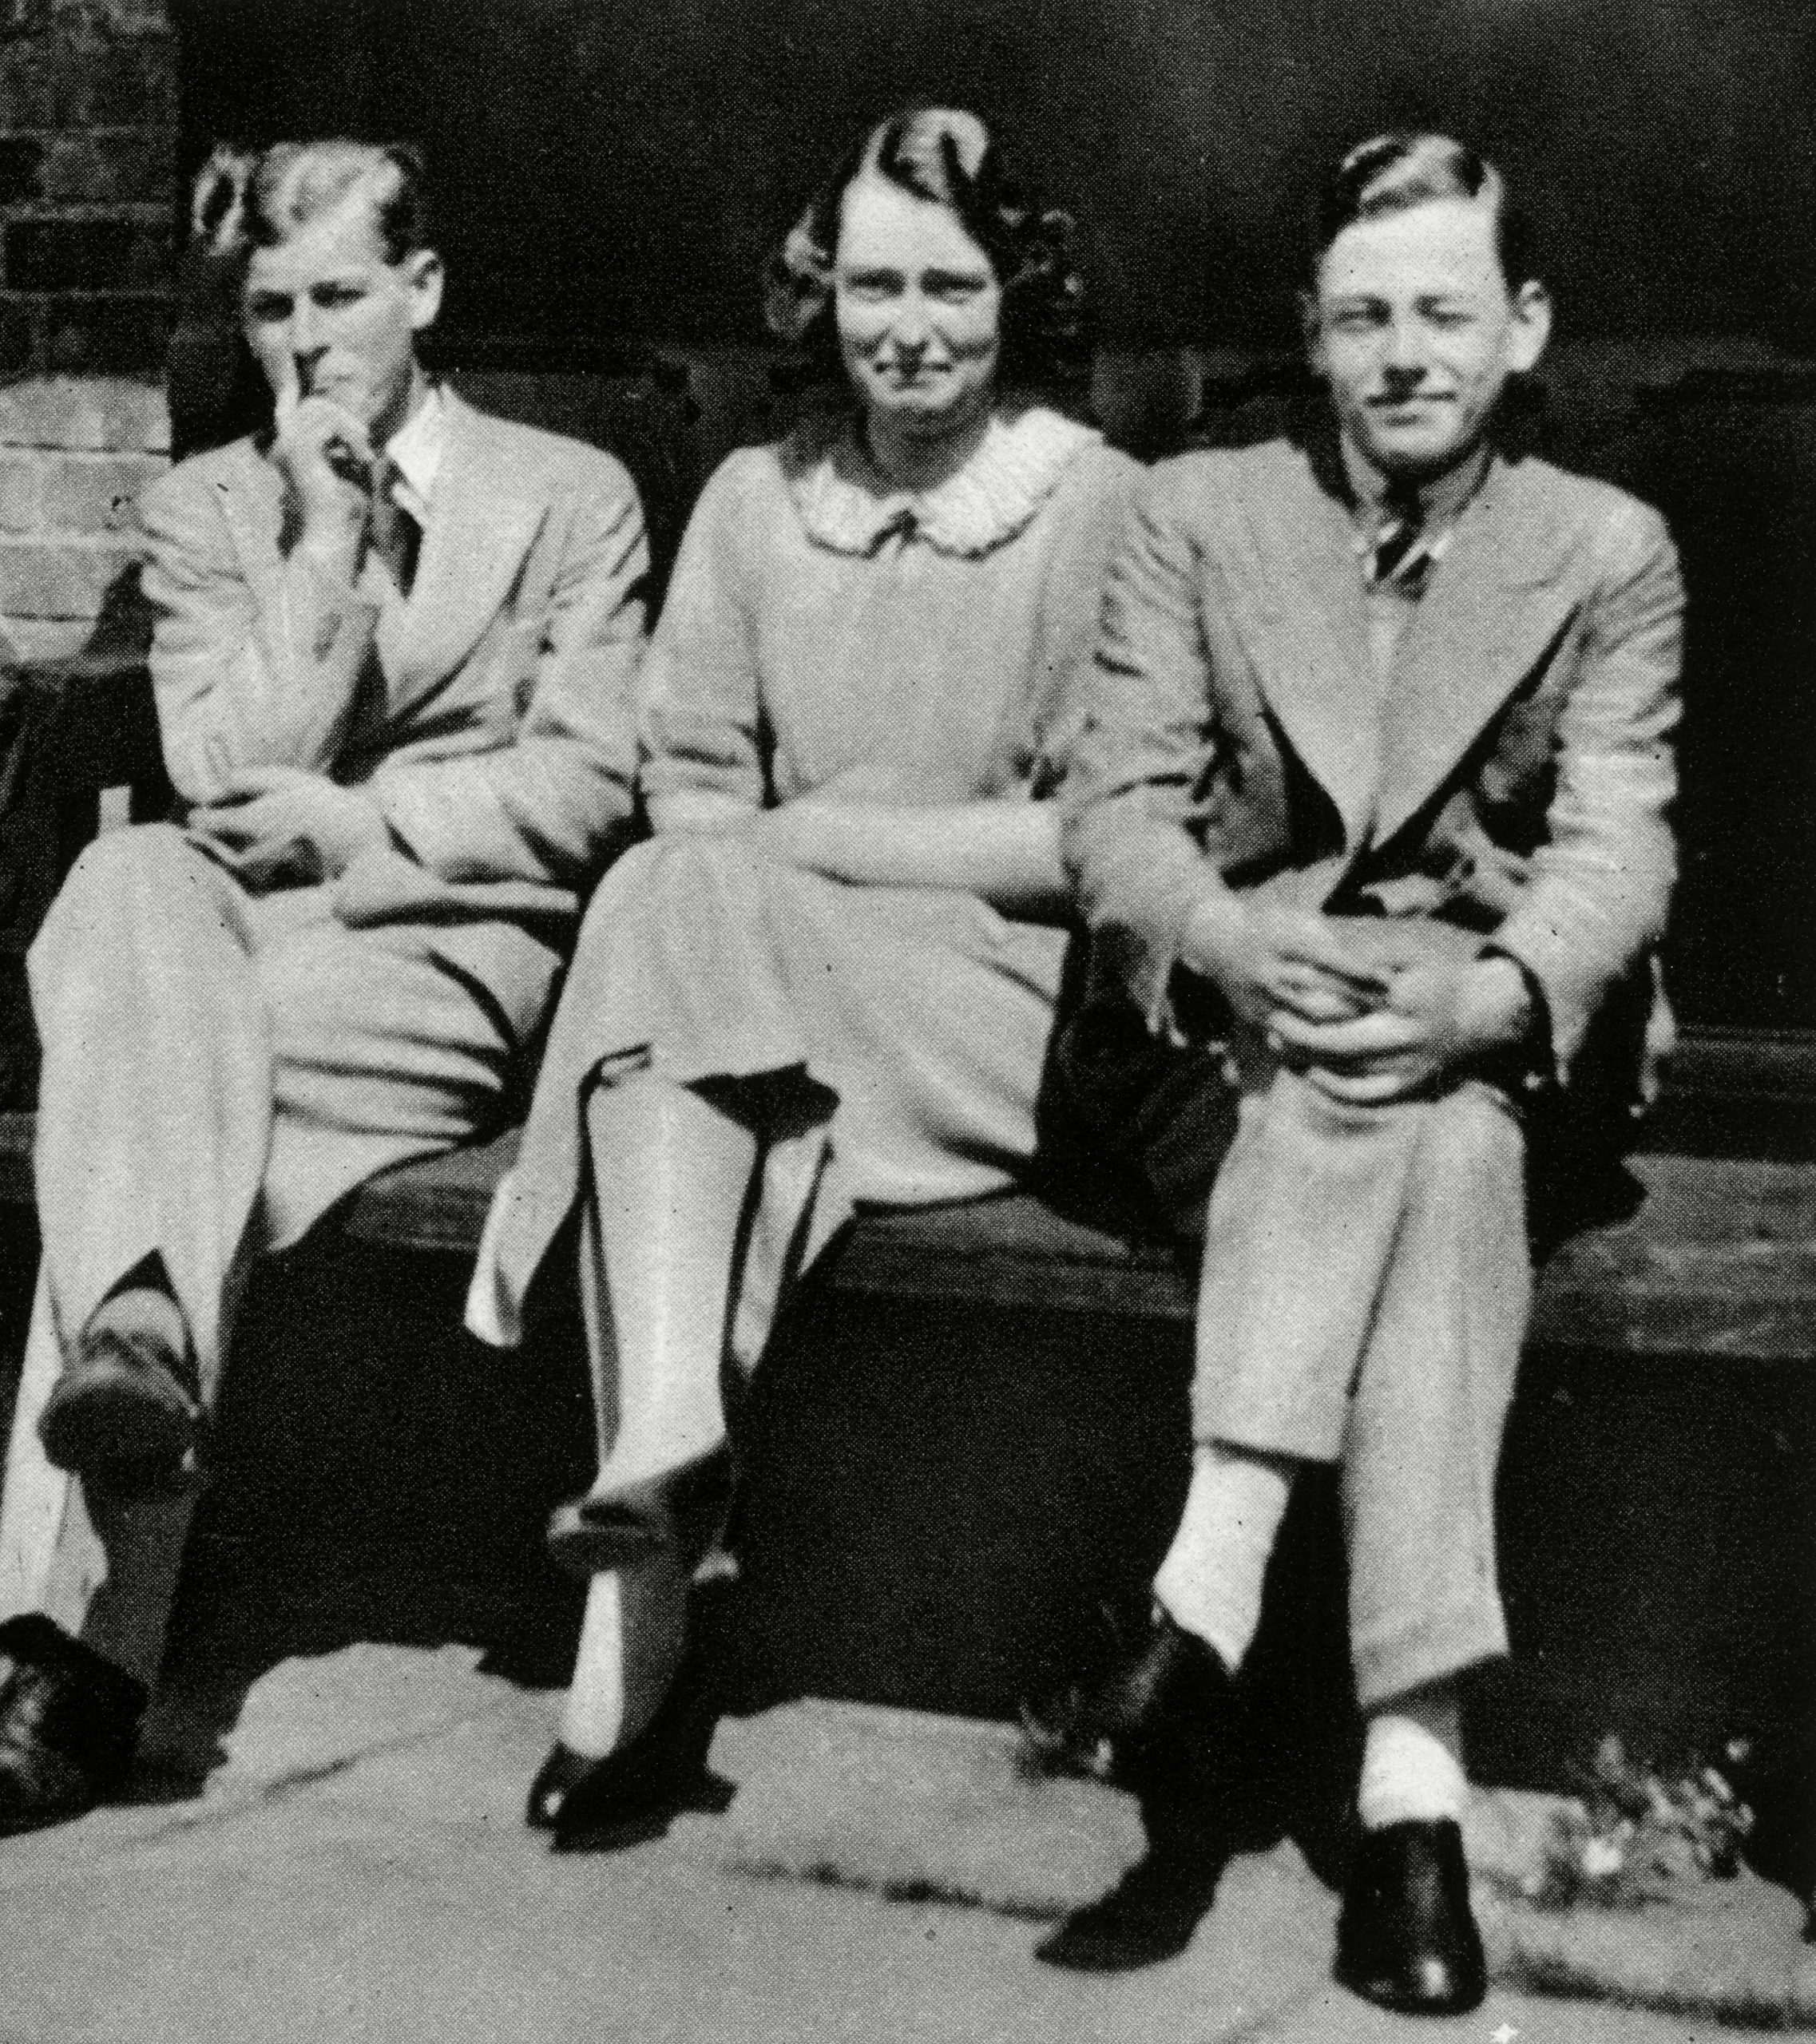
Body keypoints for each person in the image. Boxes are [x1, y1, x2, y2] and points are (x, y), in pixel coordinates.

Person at [0, 140, 648, 1838]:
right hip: (225, 941)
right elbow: (213, 765)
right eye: (268, 309)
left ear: (422, 290)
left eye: (339, 295)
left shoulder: (571, 494)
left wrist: (361, 822)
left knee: (138, 1098)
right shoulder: (209, 509)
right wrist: (321, 544)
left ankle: (73, 1661)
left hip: (436, 950)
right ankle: (141, 1338)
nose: (306, 341)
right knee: (125, 881)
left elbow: (592, 777)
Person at [1041, 133, 1682, 2013]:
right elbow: (1114, 814)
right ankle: (1415, 1799)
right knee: (1424, 1143)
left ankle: (1210, 1582)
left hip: (1484, 1039)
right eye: (1363, 317)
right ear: (1312, 336)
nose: (1404, 355)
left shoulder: (1604, 548)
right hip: (1219, 1037)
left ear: (1523, 328)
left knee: (1445, 1120)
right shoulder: (1196, 513)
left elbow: (1615, 845)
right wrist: (1240, 947)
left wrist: (1485, 994)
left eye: (1444, 315)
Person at [467, 105, 1140, 1850]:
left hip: (991, 1007)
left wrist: (826, 838)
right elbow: (686, 781)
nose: (904, 326)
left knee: (667, 973)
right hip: (768, 989)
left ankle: (641, 1597)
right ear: (817, 296)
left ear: (1015, 295)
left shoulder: (1093, 507)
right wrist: (763, 861)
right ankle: (660, 1463)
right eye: (869, 286)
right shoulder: (755, 506)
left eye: (947, 285)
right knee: (676, 1000)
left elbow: (1098, 844)